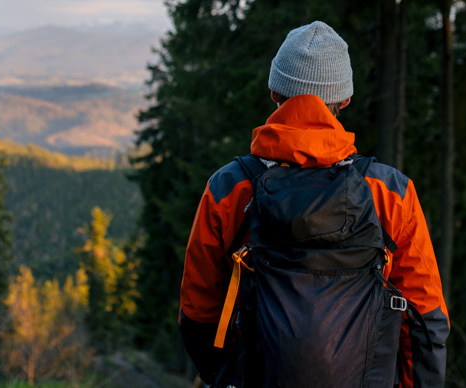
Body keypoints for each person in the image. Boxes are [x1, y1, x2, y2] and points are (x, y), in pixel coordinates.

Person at [179, 20, 449, 387]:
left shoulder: (230, 187)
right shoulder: (389, 192)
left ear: (275, 92)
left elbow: (198, 313)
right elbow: (424, 319)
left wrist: (224, 376)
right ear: (346, 100)